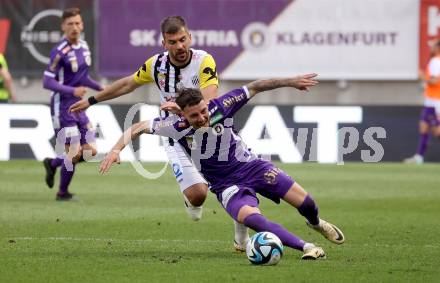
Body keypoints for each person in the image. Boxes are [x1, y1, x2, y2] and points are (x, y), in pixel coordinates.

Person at [100, 73, 346, 260]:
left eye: (203, 111)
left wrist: (290, 81)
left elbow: (256, 86)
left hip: (253, 167)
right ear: (183, 116)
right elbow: (138, 127)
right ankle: (308, 247)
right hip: (226, 186)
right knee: (253, 219)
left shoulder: (221, 106)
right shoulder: (175, 128)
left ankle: (316, 224)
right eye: (194, 116)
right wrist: (115, 150)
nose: (202, 118)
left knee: (307, 204)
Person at [69, 16, 249, 250]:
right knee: (197, 196)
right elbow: (127, 84)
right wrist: (92, 100)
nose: (180, 46)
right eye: (173, 41)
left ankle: (241, 238)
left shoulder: (204, 61)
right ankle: (191, 196)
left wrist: (184, 110)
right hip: (176, 136)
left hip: (208, 130)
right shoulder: (156, 65)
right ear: (164, 43)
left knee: (236, 180)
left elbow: (211, 99)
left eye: (183, 40)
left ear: (190, 38)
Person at [42, 7, 103, 200]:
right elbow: (47, 81)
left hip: (80, 106)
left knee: (90, 151)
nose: (74, 27)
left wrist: (102, 89)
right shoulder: (59, 51)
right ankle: (62, 193)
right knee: (74, 152)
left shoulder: (84, 47)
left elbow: (82, 76)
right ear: (63, 27)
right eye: (70, 24)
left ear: (82, 24)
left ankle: (53, 164)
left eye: (77, 23)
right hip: (63, 107)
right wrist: (72, 91)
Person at [405, 39, 440, 164]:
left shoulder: (436, 61)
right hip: (431, 101)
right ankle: (419, 157)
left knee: (436, 130)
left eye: (433, 46)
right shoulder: (434, 61)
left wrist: (423, 77)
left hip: (435, 102)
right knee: (424, 127)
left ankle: (419, 157)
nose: (431, 48)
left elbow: (435, 81)